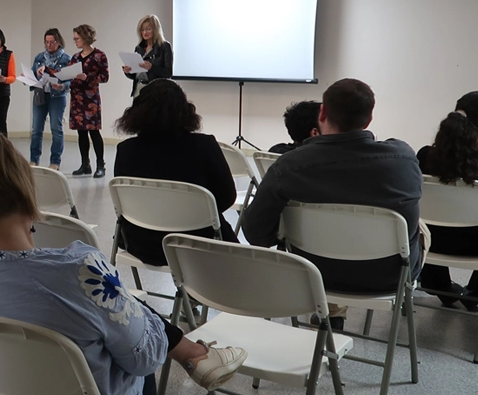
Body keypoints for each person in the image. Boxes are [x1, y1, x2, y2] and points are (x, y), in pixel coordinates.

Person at [0, 127, 246, 395]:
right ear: (23, 186)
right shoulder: (80, 269)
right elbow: (144, 361)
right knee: (117, 311)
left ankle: (187, 349)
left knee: (107, 306)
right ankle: (195, 353)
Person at [243, 79, 423, 328]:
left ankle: (332, 312)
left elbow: (256, 234)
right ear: (369, 119)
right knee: (418, 227)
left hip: (312, 275)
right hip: (388, 277)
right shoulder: (403, 158)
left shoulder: (289, 166)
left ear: (323, 113)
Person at [112, 79, 239, 266]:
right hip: (198, 244)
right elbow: (227, 197)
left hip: (142, 244)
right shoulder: (205, 146)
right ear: (185, 110)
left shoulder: (126, 150)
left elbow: (124, 203)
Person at [415, 91, 478, 311]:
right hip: (473, 247)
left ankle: (437, 284)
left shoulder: (423, 157)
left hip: (428, 243)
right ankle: (475, 293)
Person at [66, 24, 110, 178]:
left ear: (86, 37)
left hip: (91, 98)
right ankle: (85, 164)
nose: (75, 41)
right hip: (77, 98)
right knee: (81, 132)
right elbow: (69, 74)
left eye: (77, 38)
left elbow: (105, 77)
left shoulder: (99, 55)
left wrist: (88, 77)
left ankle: (100, 165)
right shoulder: (75, 57)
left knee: (94, 131)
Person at [29, 28, 72, 170]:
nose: (49, 45)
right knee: (36, 129)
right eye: (46, 42)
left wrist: (62, 86)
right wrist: (36, 74)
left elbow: (71, 81)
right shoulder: (39, 58)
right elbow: (31, 78)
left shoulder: (67, 59)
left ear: (59, 42)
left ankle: (55, 161)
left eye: (52, 42)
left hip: (57, 97)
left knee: (56, 129)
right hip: (40, 95)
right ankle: (34, 159)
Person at [121, 15, 173, 98]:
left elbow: (168, 73)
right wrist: (128, 71)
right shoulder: (139, 48)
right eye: (142, 30)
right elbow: (136, 75)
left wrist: (151, 67)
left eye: (148, 29)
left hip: (157, 91)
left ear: (156, 30)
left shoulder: (164, 46)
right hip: (139, 89)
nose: (145, 32)